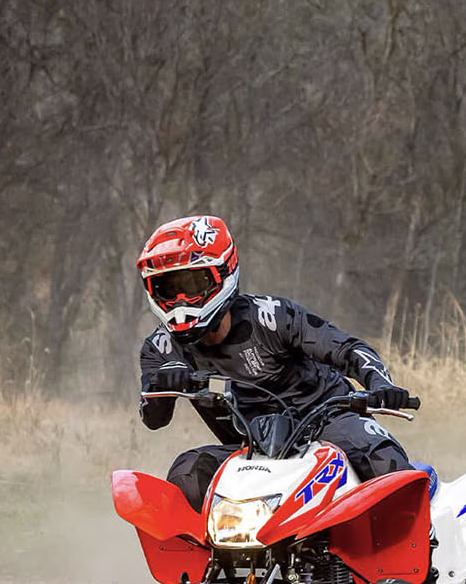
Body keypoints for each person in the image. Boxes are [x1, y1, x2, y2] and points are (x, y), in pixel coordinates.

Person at [135, 215, 416, 509]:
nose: (182, 300)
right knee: (187, 472)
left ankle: (425, 542)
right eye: (169, 288)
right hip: (251, 452)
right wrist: (163, 384)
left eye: (193, 283)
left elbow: (348, 350)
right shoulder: (160, 349)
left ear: (224, 273)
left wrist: (381, 384)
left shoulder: (272, 317)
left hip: (329, 429)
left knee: (378, 457)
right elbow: (154, 419)